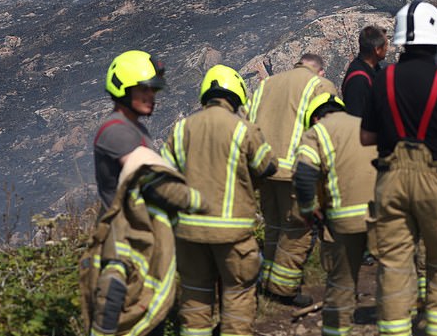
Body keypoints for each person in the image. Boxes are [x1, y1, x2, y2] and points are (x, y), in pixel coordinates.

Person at [360, 0, 437, 336]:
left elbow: (366, 136)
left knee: (395, 265)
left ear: (401, 40)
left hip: (390, 181)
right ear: (436, 39)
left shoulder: (382, 79)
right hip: (434, 178)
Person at [161, 65, 277, 336]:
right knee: (238, 295)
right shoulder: (243, 129)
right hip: (233, 234)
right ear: (237, 96)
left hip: (190, 232)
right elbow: (267, 168)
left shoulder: (181, 130)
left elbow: (162, 176)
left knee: (196, 297)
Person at [80, 144, 206, 336]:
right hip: (143, 316)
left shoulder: (137, 216)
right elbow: (113, 283)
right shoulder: (146, 219)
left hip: (142, 315)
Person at [248, 53, 337, 306]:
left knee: (274, 224)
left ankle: (268, 281)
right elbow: (328, 129)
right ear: (320, 71)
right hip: (297, 170)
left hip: (265, 169)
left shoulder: (266, 84)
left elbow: (249, 122)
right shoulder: (320, 86)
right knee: (299, 228)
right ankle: (283, 290)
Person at [293, 93, 376, 336]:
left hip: (342, 222)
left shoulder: (316, 133)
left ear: (316, 117)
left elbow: (305, 176)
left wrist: (309, 210)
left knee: (340, 284)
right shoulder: (364, 125)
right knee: (393, 278)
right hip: (380, 217)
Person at [93, 50, 166, 208]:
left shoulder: (135, 128)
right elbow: (148, 177)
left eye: (153, 90)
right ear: (123, 88)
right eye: (144, 89)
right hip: (126, 229)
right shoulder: (116, 131)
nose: (151, 96)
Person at [341, 25, 389, 118]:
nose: (387, 49)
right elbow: (355, 117)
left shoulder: (373, 69)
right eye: (386, 45)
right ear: (377, 50)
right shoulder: (358, 80)